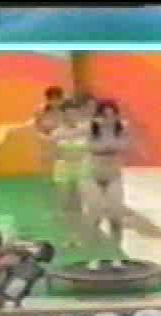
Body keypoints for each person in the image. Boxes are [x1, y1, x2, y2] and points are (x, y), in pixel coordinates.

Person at [82, 100, 130, 269]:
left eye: (112, 115)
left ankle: (116, 254)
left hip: (113, 176)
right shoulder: (90, 128)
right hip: (92, 176)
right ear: (98, 116)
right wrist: (108, 145)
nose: (108, 119)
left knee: (116, 217)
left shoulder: (122, 128)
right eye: (104, 115)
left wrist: (107, 146)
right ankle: (93, 256)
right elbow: (91, 147)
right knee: (94, 217)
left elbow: (124, 146)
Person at [50, 99, 92, 248]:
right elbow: (54, 154)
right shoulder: (57, 133)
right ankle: (69, 236)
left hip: (82, 170)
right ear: (63, 115)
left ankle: (80, 235)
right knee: (65, 205)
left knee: (79, 205)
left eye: (74, 113)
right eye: (68, 114)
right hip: (63, 170)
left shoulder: (86, 130)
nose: (71, 117)